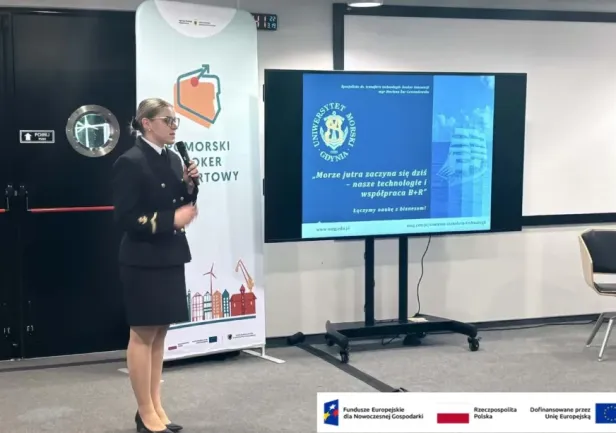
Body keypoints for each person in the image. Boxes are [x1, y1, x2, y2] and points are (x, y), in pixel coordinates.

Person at [112, 98, 199, 433]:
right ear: (147, 123)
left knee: (160, 332)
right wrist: (170, 219)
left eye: (176, 121)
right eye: (168, 120)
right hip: (143, 258)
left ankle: (155, 406)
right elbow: (126, 217)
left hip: (169, 254)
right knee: (143, 333)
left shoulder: (173, 158)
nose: (174, 126)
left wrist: (190, 186)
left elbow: (180, 203)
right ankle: (144, 411)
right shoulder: (130, 161)